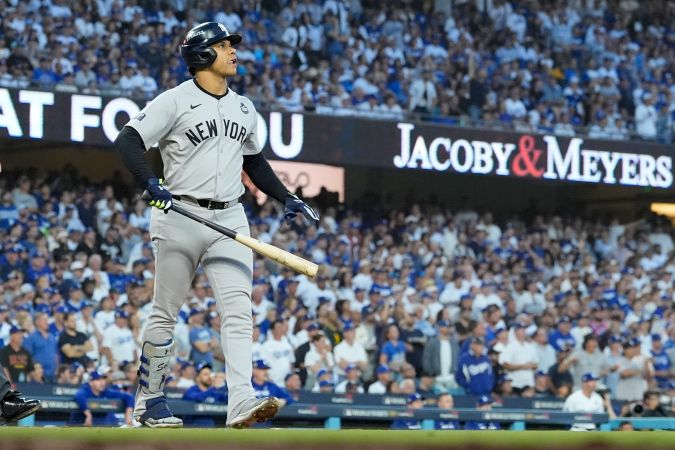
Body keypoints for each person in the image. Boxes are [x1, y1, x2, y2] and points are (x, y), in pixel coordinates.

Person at [113, 21, 319, 428]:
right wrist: (150, 182)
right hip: (180, 213)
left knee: (240, 311)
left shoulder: (244, 106)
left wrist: (285, 196)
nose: (233, 52)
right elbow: (128, 141)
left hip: (230, 215)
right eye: (224, 46)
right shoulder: (174, 101)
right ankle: (149, 403)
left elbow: (254, 162)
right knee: (165, 312)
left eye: (231, 45)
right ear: (202, 55)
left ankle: (241, 400)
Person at [69, 370, 134, 426]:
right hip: (80, 421)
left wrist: (128, 416)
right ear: (91, 382)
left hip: (99, 421)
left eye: (103, 380)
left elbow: (129, 397)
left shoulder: (105, 391)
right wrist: (88, 415)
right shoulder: (86, 389)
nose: (102, 382)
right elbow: (79, 396)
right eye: (98, 380)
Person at [182, 362, 228, 428]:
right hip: (193, 428)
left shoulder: (215, 392)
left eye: (210, 374)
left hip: (213, 429)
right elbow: (199, 398)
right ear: (197, 377)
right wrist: (213, 387)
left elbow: (227, 399)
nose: (209, 376)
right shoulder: (191, 390)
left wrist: (227, 383)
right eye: (205, 374)